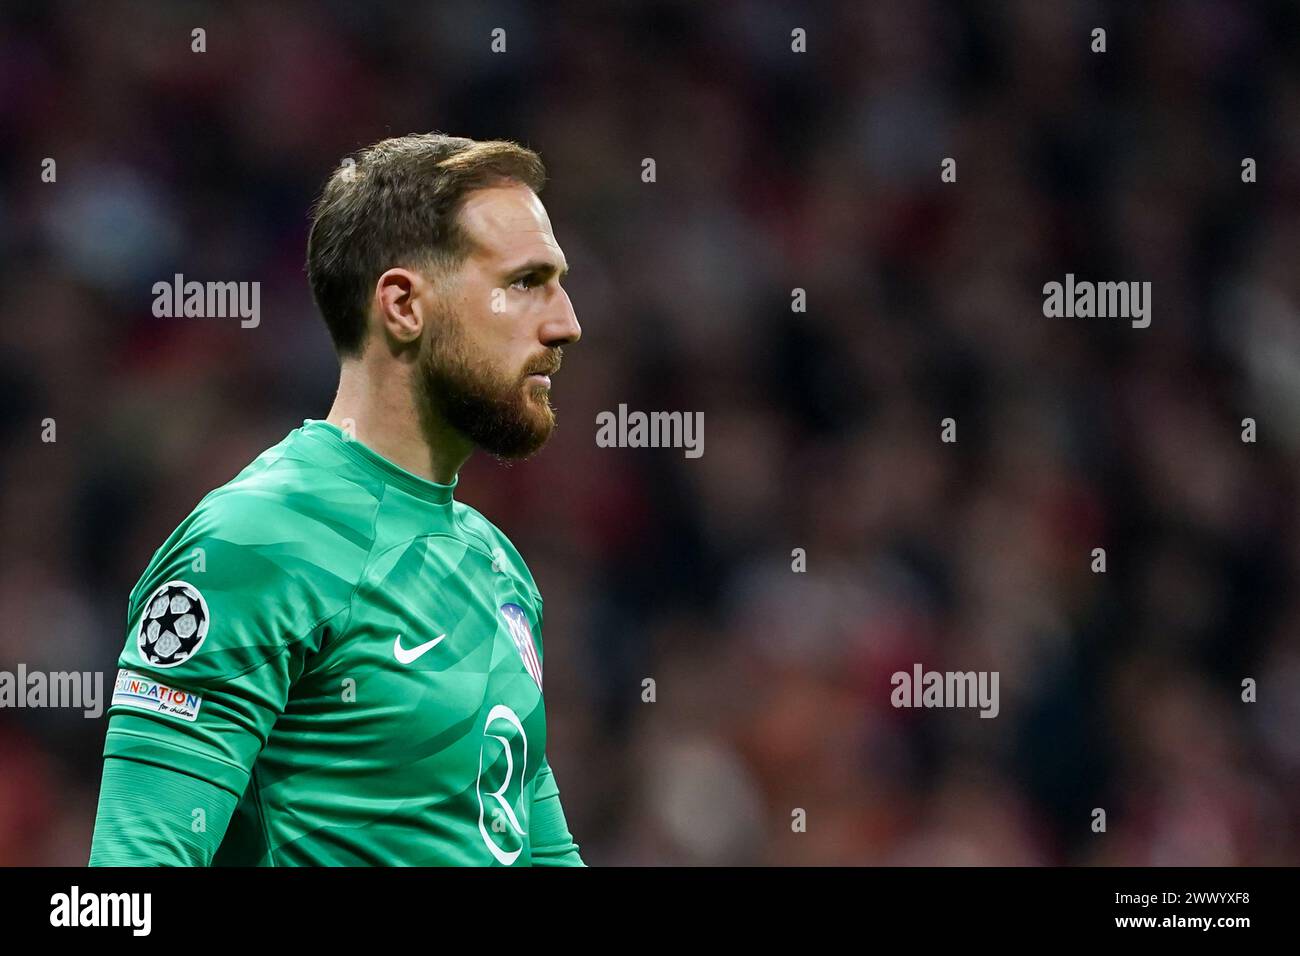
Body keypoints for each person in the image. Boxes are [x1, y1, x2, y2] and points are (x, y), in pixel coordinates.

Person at [89, 132, 584, 866]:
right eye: (524, 282)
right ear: (404, 305)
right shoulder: (258, 541)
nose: (565, 323)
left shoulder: (498, 566)